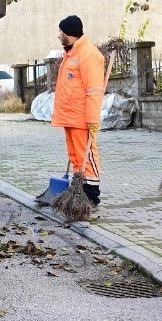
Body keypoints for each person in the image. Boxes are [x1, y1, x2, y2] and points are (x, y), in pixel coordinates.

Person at [46, 15, 105, 205]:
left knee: (87, 155)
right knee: (76, 157)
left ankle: (91, 194)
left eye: (61, 31)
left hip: (82, 117)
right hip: (70, 116)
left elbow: (94, 90)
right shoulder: (72, 53)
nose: (59, 35)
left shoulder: (88, 54)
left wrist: (93, 119)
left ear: (68, 33)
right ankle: (79, 190)